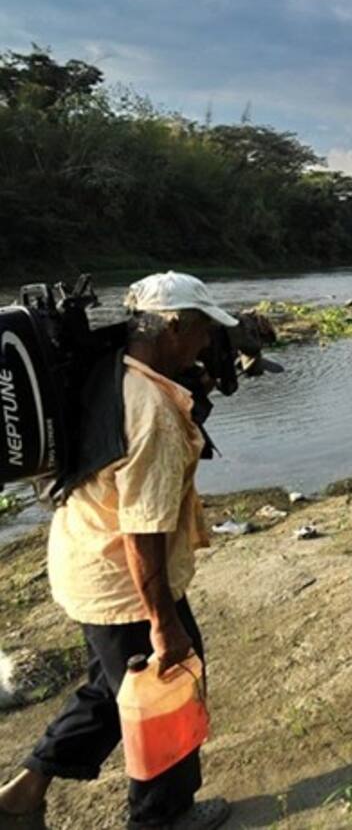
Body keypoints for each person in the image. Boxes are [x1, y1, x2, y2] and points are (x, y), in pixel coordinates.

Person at [0, 272, 239, 830]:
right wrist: (163, 624)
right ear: (174, 326)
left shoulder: (114, 368)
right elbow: (143, 530)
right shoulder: (150, 409)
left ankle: (21, 796)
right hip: (120, 579)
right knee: (169, 684)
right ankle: (162, 817)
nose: (207, 341)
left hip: (84, 559)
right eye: (202, 328)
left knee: (112, 691)